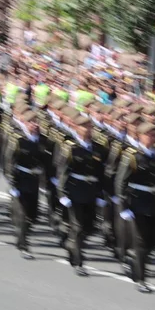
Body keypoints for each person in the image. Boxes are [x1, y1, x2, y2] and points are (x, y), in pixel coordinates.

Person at [114, 123, 155, 292]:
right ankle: (141, 279)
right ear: (140, 135)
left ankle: (134, 257)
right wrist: (123, 205)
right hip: (137, 203)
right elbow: (121, 181)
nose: (152, 138)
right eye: (148, 135)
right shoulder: (132, 155)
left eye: (154, 135)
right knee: (141, 242)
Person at [56, 115, 109, 276]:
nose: (88, 130)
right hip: (75, 191)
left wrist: (101, 193)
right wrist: (62, 193)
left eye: (90, 127)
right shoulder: (70, 147)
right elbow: (62, 171)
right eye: (84, 126)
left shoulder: (98, 148)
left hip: (91, 192)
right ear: (76, 127)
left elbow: (101, 173)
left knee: (89, 227)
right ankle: (79, 262)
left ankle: (72, 244)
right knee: (78, 227)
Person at [4, 110, 48, 259]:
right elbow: (10, 161)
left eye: (36, 122)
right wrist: (12, 182)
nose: (35, 125)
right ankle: (24, 244)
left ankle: (22, 236)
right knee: (22, 214)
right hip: (21, 179)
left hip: (34, 180)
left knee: (33, 215)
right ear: (24, 123)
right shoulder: (17, 139)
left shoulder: (42, 139)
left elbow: (45, 161)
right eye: (31, 122)